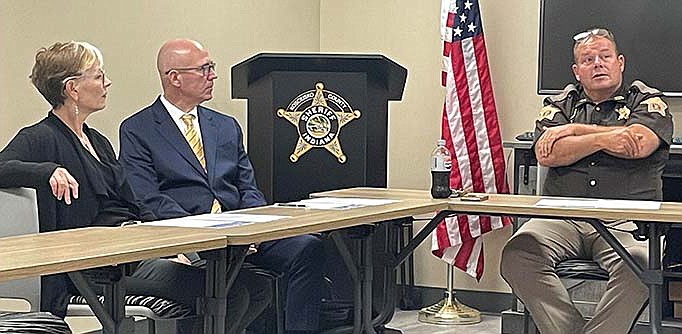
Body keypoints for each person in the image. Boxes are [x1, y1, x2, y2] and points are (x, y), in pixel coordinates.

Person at [0, 41, 270, 334]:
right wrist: (47, 170)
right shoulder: (41, 137)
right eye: (98, 76)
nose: (107, 83)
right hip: (97, 268)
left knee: (256, 287)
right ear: (72, 89)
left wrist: (169, 245)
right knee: (229, 294)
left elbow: (132, 201)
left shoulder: (98, 141)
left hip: (135, 252)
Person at [118, 39, 325, 334]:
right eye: (204, 69)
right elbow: (148, 197)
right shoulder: (138, 129)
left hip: (243, 230)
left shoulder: (225, 125)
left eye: (211, 67)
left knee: (307, 248)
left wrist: (255, 227)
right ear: (174, 77)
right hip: (192, 236)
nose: (213, 75)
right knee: (229, 281)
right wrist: (206, 230)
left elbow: (248, 186)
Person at [500, 28, 673, 334]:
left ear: (620, 62)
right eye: (588, 59)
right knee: (518, 253)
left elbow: (636, 144)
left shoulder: (647, 99)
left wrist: (575, 131)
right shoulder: (560, 104)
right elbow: (549, 154)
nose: (598, 64)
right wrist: (611, 136)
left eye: (605, 57)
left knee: (642, 264)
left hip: (625, 220)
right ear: (576, 71)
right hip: (562, 216)